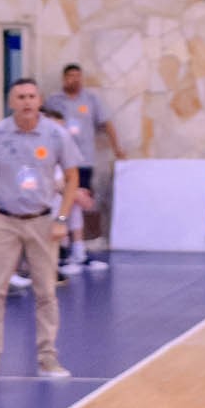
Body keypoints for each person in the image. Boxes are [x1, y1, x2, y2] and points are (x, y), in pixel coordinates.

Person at [0, 79, 86, 378]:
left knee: (45, 292)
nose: (27, 102)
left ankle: (48, 358)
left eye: (32, 96)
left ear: (39, 99)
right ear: (11, 101)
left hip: (43, 221)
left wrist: (62, 218)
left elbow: (72, 178)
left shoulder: (56, 135)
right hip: (4, 221)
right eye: (20, 97)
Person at [46, 63, 124, 265]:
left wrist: (117, 148)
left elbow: (106, 123)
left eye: (78, 76)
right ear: (64, 79)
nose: (75, 80)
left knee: (82, 201)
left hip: (83, 159)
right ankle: (63, 247)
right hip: (59, 161)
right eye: (71, 76)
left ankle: (81, 245)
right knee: (66, 200)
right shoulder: (54, 101)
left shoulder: (90, 100)